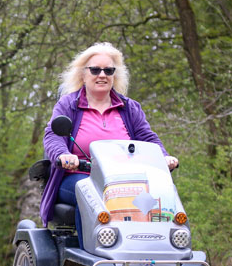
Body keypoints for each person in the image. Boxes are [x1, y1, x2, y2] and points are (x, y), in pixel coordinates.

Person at [40, 42, 178, 247]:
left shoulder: (129, 108)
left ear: (115, 75)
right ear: (83, 74)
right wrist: (62, 155)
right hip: (79, 177)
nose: (102, 75)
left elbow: (148, 138)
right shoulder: (68, 105)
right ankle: (95, 251)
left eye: (108, 70)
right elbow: (53, 135)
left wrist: (164, 157)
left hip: (123, 180)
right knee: (89, 193)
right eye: (95, 69)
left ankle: (155, 249)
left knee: (161, 195)